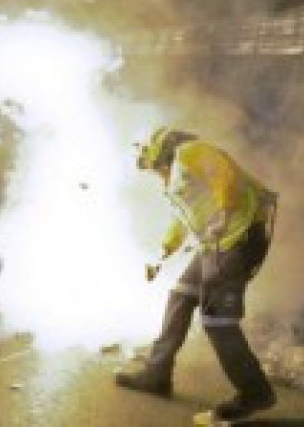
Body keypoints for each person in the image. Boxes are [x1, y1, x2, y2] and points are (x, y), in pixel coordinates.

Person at [115, 127, 278, 422]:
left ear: (159, 150)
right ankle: (157, 374)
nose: (156, 172)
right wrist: (162, 255)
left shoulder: (189, 151)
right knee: (180, 296)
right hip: (215, 243)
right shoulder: (177, 179)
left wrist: (225, 212)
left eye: (154, 165)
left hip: (236, 239)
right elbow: (184, 220)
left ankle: (256, 393)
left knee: (217, 321)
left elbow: (224, 174)